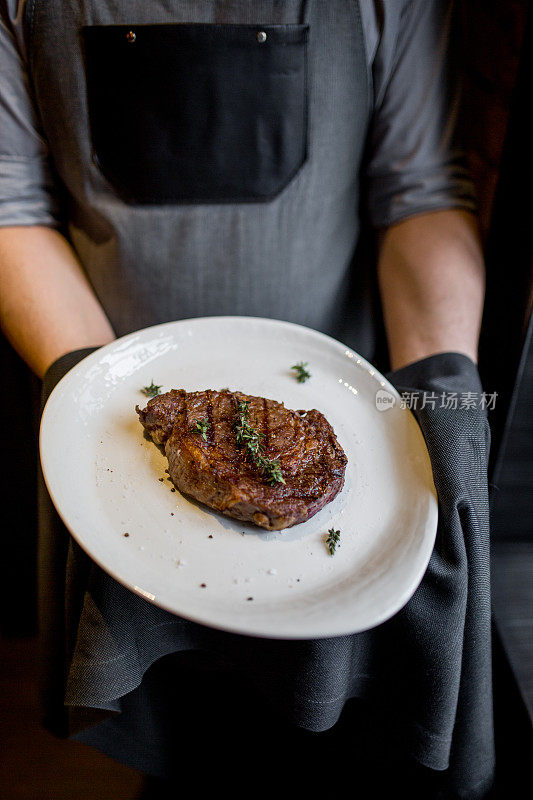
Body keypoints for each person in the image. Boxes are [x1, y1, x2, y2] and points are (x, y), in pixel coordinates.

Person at [0, 1, 492, 797]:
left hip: (355, 416)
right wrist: (90, 391)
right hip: (108, 423)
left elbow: (420, 190)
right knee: (177, 727)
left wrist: (446, 392)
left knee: (329, 737)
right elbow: (9, 204)